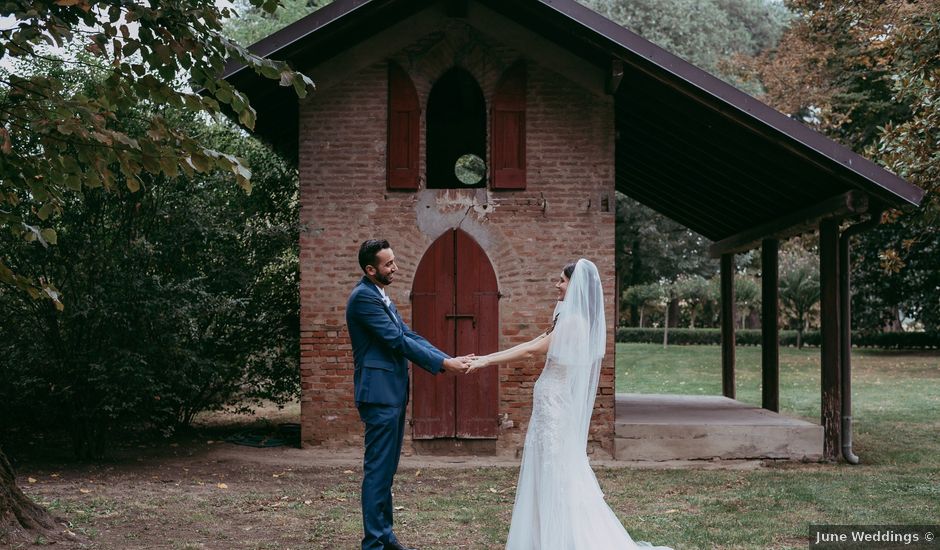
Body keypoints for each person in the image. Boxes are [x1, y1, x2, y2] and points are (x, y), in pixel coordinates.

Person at [468, 259, 672, 550]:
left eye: (561, 281)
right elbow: (529, 343)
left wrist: (485, 361)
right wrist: (485, 357)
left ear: (574, 286)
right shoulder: (566, 317)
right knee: (547, 472)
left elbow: (530, 352)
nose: (557, 285)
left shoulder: (574, 322)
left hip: (555, 406)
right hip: (550, 403)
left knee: (556, 473)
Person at [347, 239, 473, 550]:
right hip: (379, 395)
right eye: (388, 264)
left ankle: (385, 535)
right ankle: (374, 543)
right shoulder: (364, 299)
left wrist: (447, 358)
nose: (395, 268)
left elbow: (408, 334)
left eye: (393, 261)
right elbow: (396, 341)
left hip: (392, 393)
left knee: (386, 469)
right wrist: (445, 364)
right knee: (378, 469)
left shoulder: (380, 295)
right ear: (370, 269)